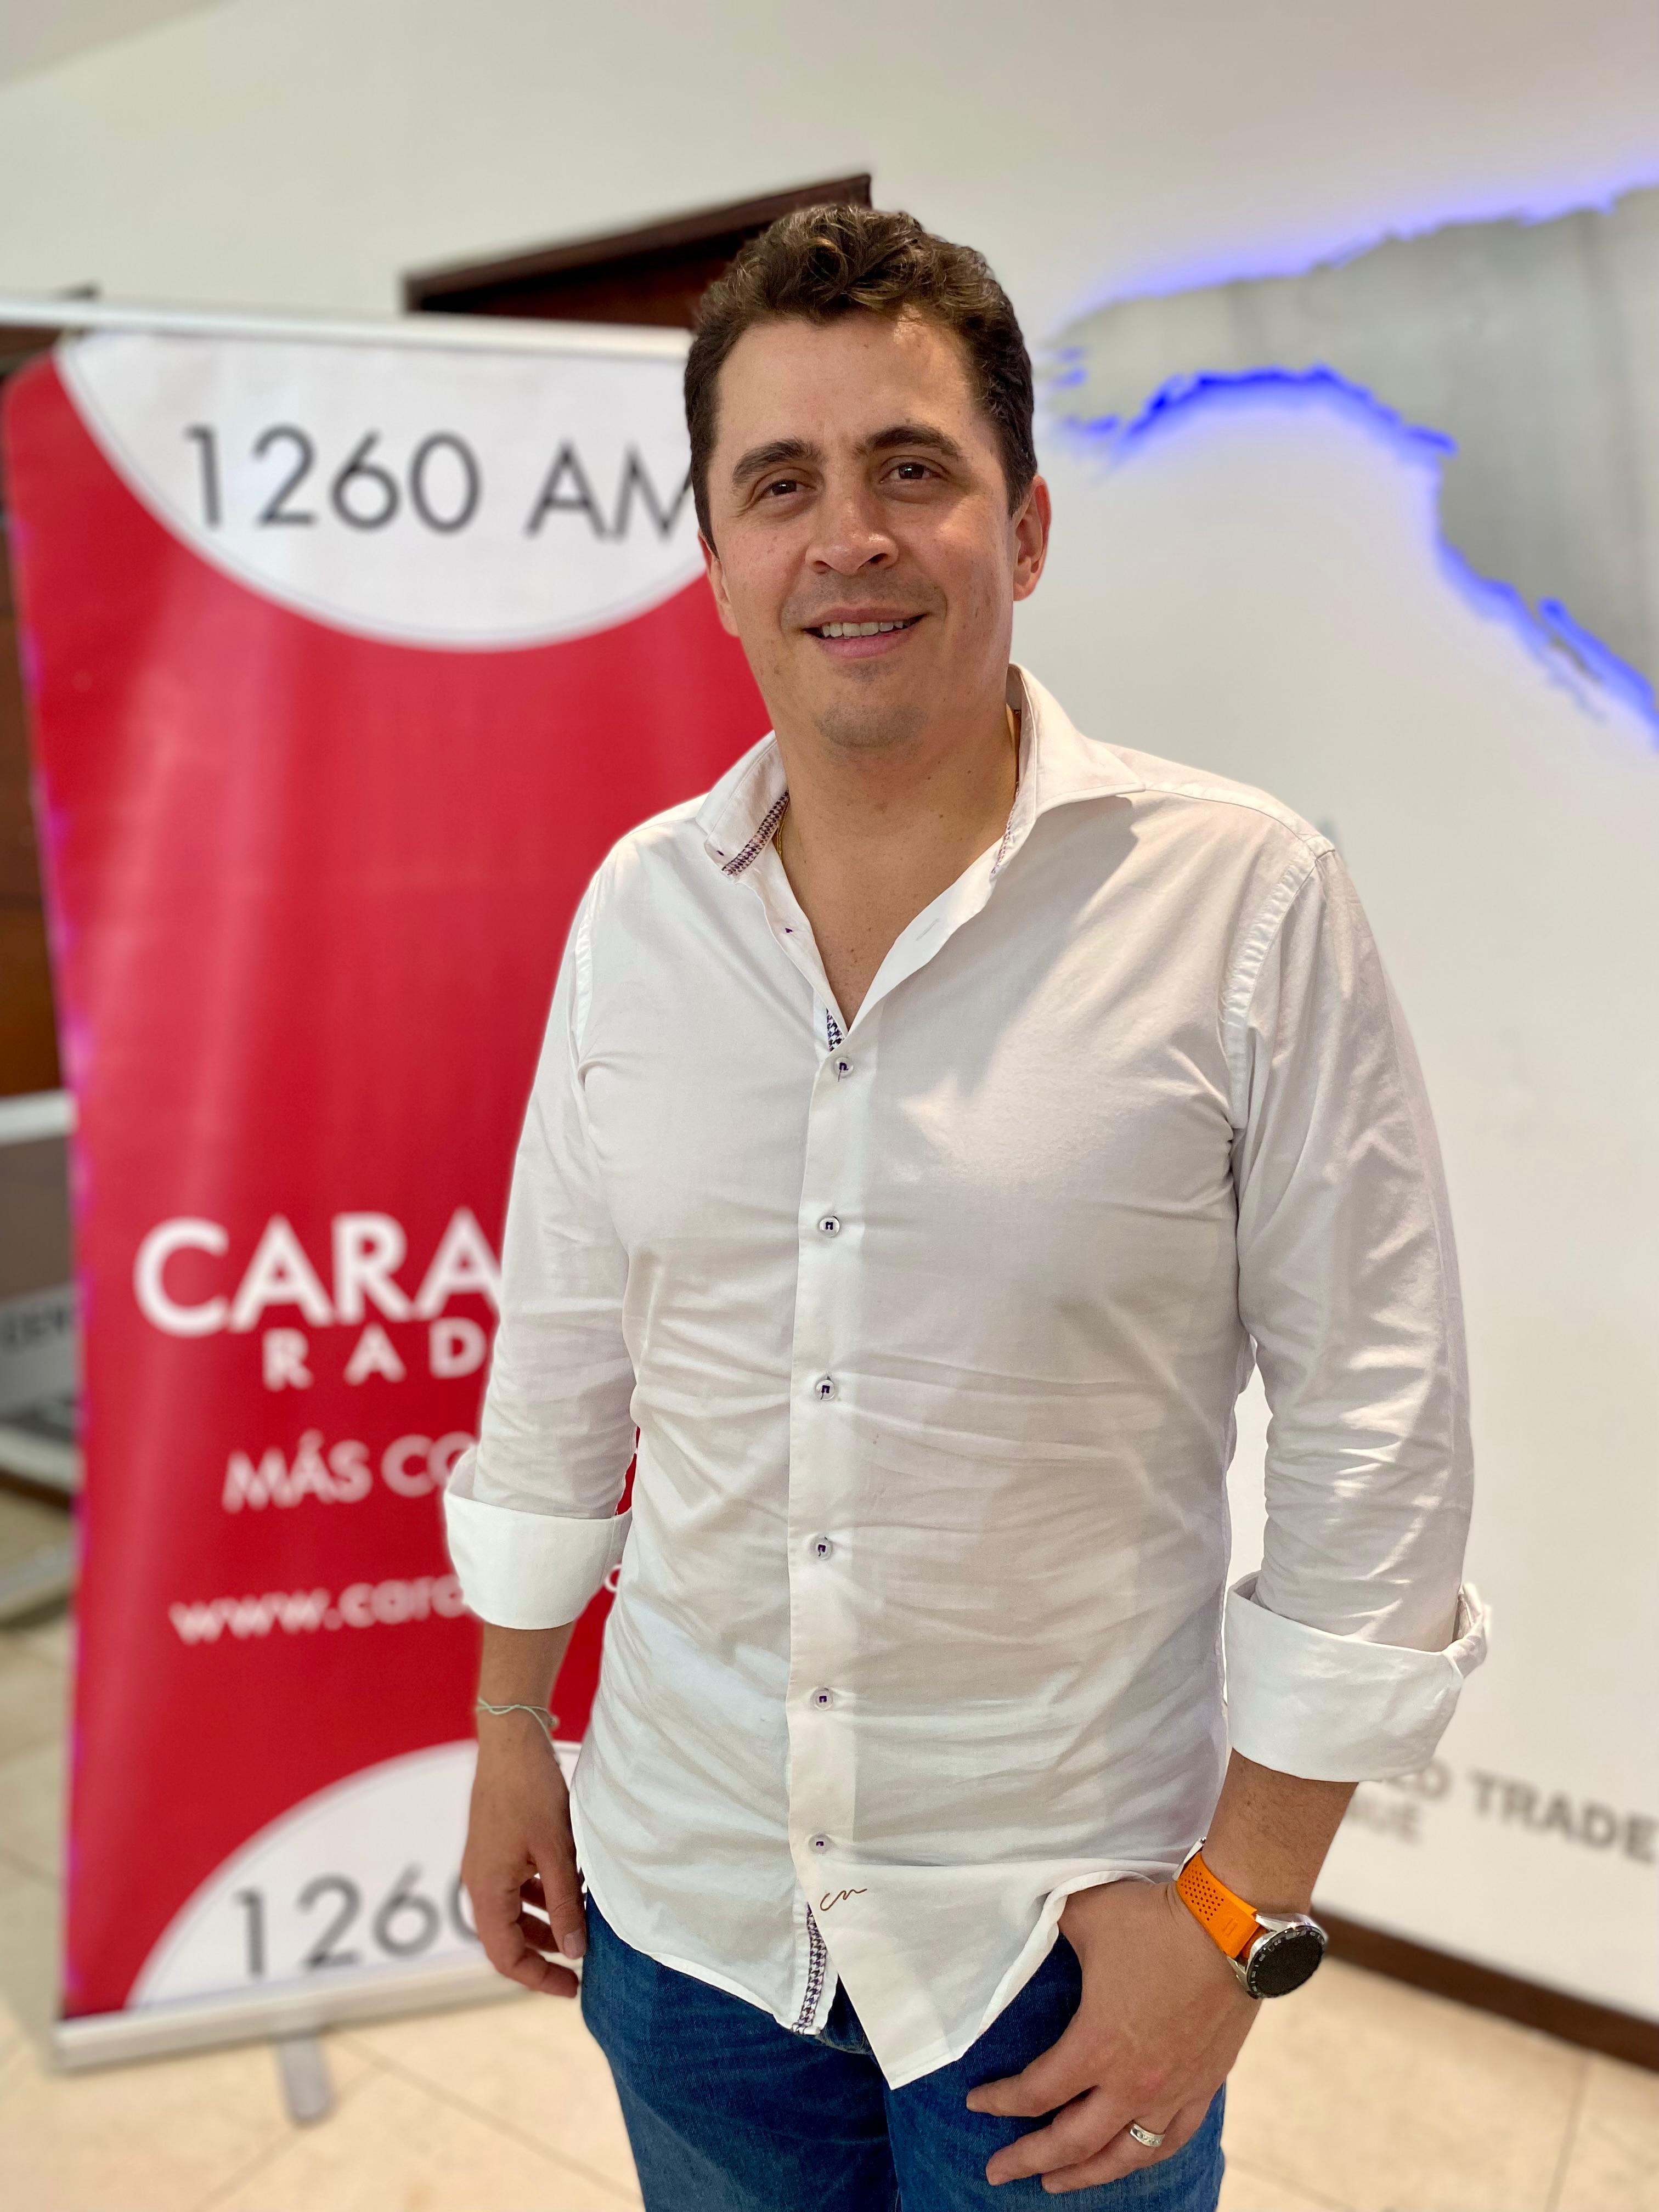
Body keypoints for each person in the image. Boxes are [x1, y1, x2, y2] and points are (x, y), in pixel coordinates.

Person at [444, 204, 1485, 2211]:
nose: (849, 536)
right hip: (687, 1904)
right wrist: (511, 1726)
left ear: (1025, 526)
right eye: (782, 483)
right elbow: (563, 1348)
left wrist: (1240, 1918)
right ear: (716, 557)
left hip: (1065, 1950)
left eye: (911, 468)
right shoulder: (641, 911)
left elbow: (1380, 1430)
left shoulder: (1242, 901)